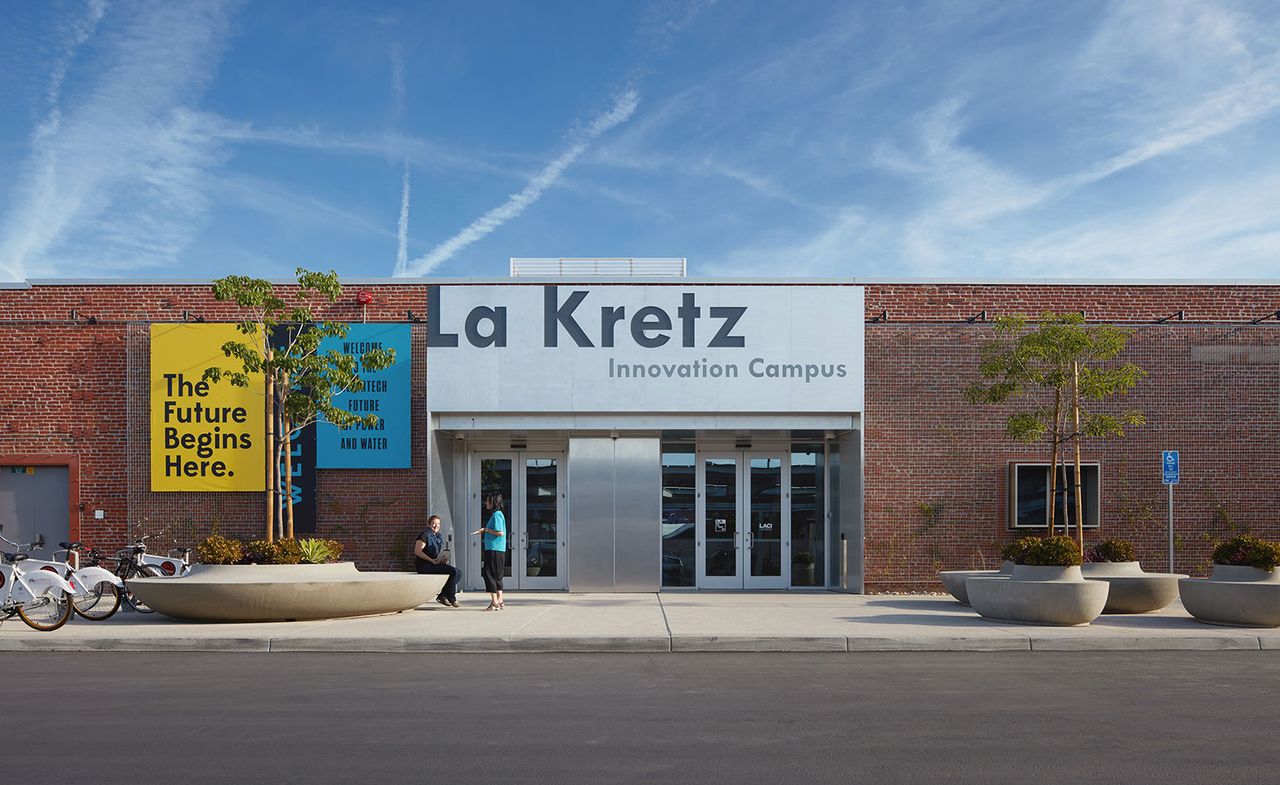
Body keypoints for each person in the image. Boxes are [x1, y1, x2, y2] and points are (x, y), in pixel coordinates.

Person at [414, 514, 460, 608]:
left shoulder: (438, 536)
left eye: (438, 524)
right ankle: (451, 598)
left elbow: (436, 555)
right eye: (434, 524)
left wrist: (441, 560)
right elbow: (418, 551)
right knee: (453, 571)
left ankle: (443, 595)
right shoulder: (425, 534)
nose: (436, 526)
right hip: (424, 565)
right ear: (428, 524)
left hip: (433, 563)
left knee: (459, 573)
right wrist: (432, 561)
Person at [472, 493, 506, 610]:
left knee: (488, 574)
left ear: (493, 502)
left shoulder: (496, 515)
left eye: (487, 501)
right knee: (498, 575)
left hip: (493, 549)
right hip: (499, 550)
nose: (485, 503)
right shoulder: (499, 514)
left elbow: (500, 532)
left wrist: (485, 530)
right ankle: (500, 601)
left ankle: (494, 601)